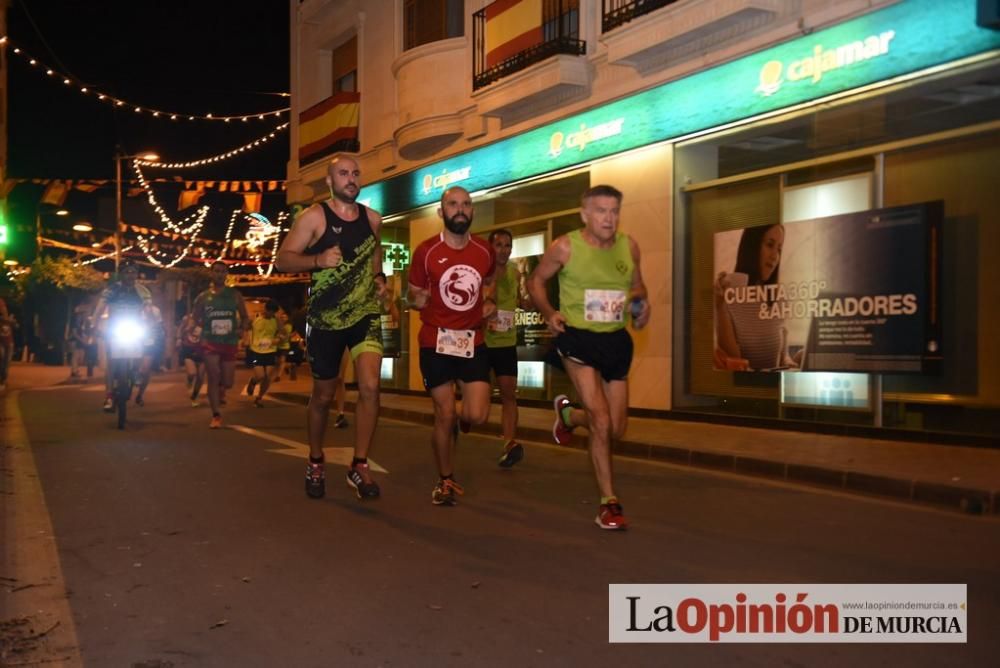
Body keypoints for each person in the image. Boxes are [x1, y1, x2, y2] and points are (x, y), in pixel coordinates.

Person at [527, 184, 650, 530]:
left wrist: (641, 305)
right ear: (585, 214)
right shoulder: (565, 246)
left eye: (614, 211)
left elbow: (638, 286)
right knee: (601, 419)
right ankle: (608, 503)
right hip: (577, 339)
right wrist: (550, 312)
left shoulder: (630, 246)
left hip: (615, 341)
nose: (608, 218)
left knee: (617, 428)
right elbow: (535, 282)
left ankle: (567, 414)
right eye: (600, 211)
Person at [276, 155, 388, 501]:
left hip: (364, 313)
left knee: (370, 386)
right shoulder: (313, 216)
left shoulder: (373, 218)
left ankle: (359, 464)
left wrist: (380, 277)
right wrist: (317, 260)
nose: (351, 179)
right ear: (329, 181)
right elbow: (282, 259)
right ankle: (315, 460)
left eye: (355, 173)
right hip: (326, 319)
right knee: (323, 396)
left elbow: (375, 252)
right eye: (343, 173)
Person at [408, 186, 496, 506]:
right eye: (453, 204)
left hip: (473, 340)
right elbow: (412, 294)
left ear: (472, 211)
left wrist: (489, 303)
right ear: (441, 212)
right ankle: (445, 479)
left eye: (466, 204)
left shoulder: (485, 251)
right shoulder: (426, 251)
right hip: (437, 340)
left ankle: (465, 416)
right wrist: (417, 300)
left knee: (477, 414)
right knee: (445, 414)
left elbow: (488, 283)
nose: (460, 209)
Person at [713, 223, 796, 371]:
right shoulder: (728, 290)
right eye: (769, 245)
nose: (775, 256)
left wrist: (792, 361)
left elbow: (783, 357)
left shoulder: (779, 296)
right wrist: (720, 306)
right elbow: (734, 362)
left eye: (779, 249)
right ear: (752, 246)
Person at [484, 228, 532, 468]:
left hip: (506, 342)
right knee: (478, 405)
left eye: (507, 245)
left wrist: (527, 297)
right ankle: (461, 419)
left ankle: (510, 443)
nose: (503, 250)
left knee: (508, 394)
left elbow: (523, 301)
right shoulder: (482, 270)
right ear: (490, 247)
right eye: (499, 245)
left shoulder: (515, 271)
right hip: (482, 342)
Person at [192, 260, 250, 428]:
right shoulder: (203, 297)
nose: (219, 274)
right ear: (211, 273)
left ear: (226, 274)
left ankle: (221, 389)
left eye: (222, 271)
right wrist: (199, 330)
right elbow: (195, 317)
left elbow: (245, 317)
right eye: (216, 271)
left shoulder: (235, 295)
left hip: (229, 341)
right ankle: (216, 414)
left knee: (228, 381)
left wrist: (242, 328)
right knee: (213, 376)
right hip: (210, 341)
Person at [91, 261, 154, 411]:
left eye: (133, 272)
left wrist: (150, 324)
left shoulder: (143, 291)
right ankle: (109, 396)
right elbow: (99, 309)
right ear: (121, 274)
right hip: (114, 329)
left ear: (136, 274)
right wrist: (94, 324)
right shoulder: (112, 290)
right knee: (111, 363)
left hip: (135, 327)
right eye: (126, 272)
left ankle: (136, 372)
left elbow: (148, 310)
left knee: (142, 345)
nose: (130, 275)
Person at [244, 300, 279, 407]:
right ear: (266, 310)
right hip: (256, 351)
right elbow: (246, 329)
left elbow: (283, 333)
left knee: (268, 377)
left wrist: (278, 339)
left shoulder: (276, 320)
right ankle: (253, 382)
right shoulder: (255, 318)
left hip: (270, 351)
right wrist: (245, 339)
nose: (272, 315)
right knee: (260, 376)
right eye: (270, 312)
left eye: (274, 313)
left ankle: (259, 398)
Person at [177, 312, 205, 406]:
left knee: (200, 377)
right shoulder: (187, 318)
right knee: (192, 373)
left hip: (202, 352)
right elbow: (180, 329)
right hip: (188, 350)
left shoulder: (206, 319)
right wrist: (179, 339)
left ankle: (194, 396)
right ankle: (189, 381)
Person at [331, 348, 351, 429]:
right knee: (326, 380)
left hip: (343, 344)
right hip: (326, 343)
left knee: (340, 378)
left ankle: (340, 414)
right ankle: (319, 412)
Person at [272, 309, 293, 382]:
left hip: (285, 346)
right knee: (278, 362)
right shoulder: (278, 326)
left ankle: (278, 376)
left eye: (285, 317)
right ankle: (287, 366)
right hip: (278, 346)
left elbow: (284, 337)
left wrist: (278, 337)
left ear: (287, 318)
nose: (283, 318)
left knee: (281, 360)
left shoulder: (288, 326)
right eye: (282, 317)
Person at [0, 298, 13, 391]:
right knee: (2, 356)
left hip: (8, 341)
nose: (3, 309)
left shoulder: (7, 320)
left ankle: (3, 378)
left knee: (6, 360)